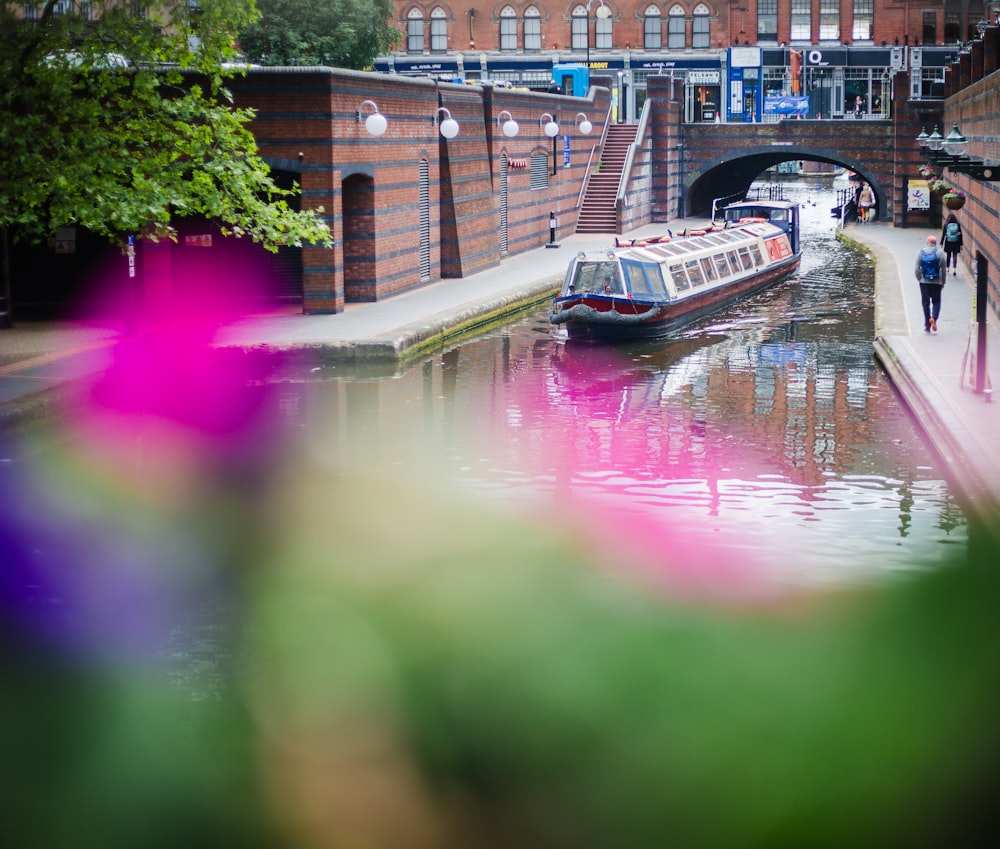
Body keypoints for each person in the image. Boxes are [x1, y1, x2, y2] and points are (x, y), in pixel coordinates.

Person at [915, 235, 946, 333]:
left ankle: (927, 325)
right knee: (936, 302)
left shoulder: (920, 252)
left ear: (927, 242)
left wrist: (920, 279)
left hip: (924, 282)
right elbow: (943, 270)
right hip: (936, 282)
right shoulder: (940, 252)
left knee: (925, 303)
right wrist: (942, 282)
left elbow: (916, 269)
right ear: (935, 242)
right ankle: (934, 318)